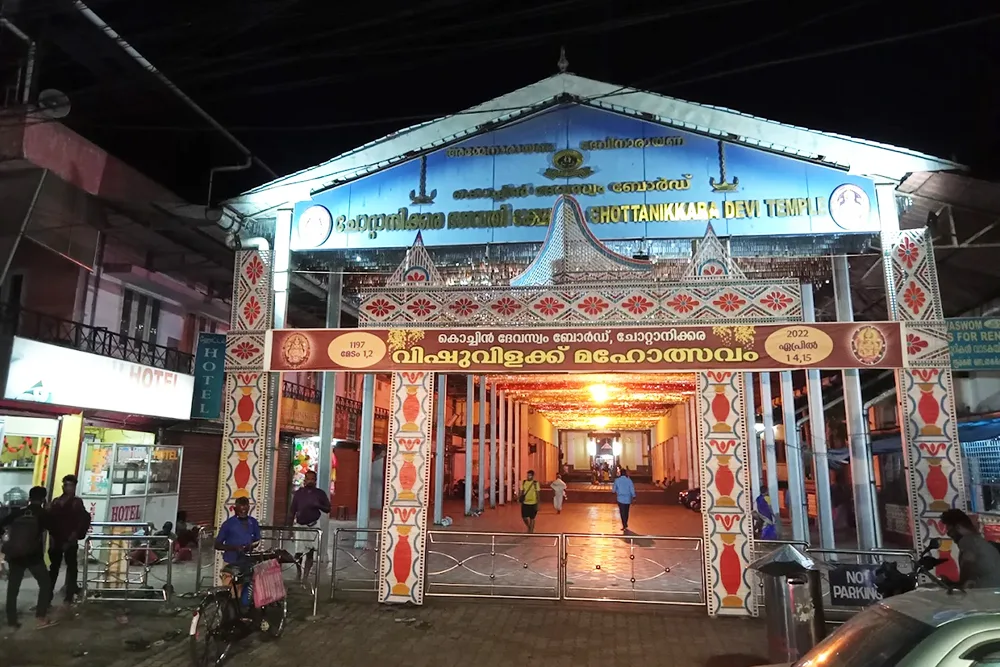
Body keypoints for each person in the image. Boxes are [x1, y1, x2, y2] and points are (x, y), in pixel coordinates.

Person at [0, 485, 54, 628]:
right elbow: (54, 529)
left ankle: (12, 620)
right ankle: (40, 617)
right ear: (43, 499)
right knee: (45, 583)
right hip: (33, 556)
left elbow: (1, 525)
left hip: (16, 555)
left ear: (29, 498)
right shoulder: (42, 513)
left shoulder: (19, 513)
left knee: (13, 588)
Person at [48, 474, 90, 605]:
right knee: (55, 568)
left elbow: (81, 521)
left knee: (71, 568)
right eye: (66, 485)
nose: (68, 488)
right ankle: (48, 596)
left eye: (71, 485)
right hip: (57, 539)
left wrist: (74, 536)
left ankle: (69, 596)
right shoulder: (56, 501)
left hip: (70, 539)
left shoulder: (76, 502)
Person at [215, 497, 261, 606]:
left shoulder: (253, 522)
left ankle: (240, 615)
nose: (244, 511)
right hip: (231, 562)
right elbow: (217, 545)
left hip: (246, 562)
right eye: (241, 508)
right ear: (235, 508)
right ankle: (226, 615)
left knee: (242, 591)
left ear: (249, 508)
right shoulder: (228, 524)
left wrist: (251, 546)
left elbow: (257, 539)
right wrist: (235, 548)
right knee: (230, 592)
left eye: (246, 508)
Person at [940, 509, 1000, 589]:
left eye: (950, 531)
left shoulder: (967, 540)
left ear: (958, 527)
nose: (949, 535)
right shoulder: (980, 542)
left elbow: (968, 561)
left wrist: (958, 585)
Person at [287, 470, 330, 581]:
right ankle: (298, 572)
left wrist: (318, 505)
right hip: (300, 526)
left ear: (315, 481)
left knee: (310, 552)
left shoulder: (320, 493)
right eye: (308, 479)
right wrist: (289, 528)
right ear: (304, 480)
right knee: (298, 553)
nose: (310, 481)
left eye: (312, 479)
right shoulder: (299, 493)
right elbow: (292, 511)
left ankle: (305, 577)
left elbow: (328, 508)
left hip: (313, 526)